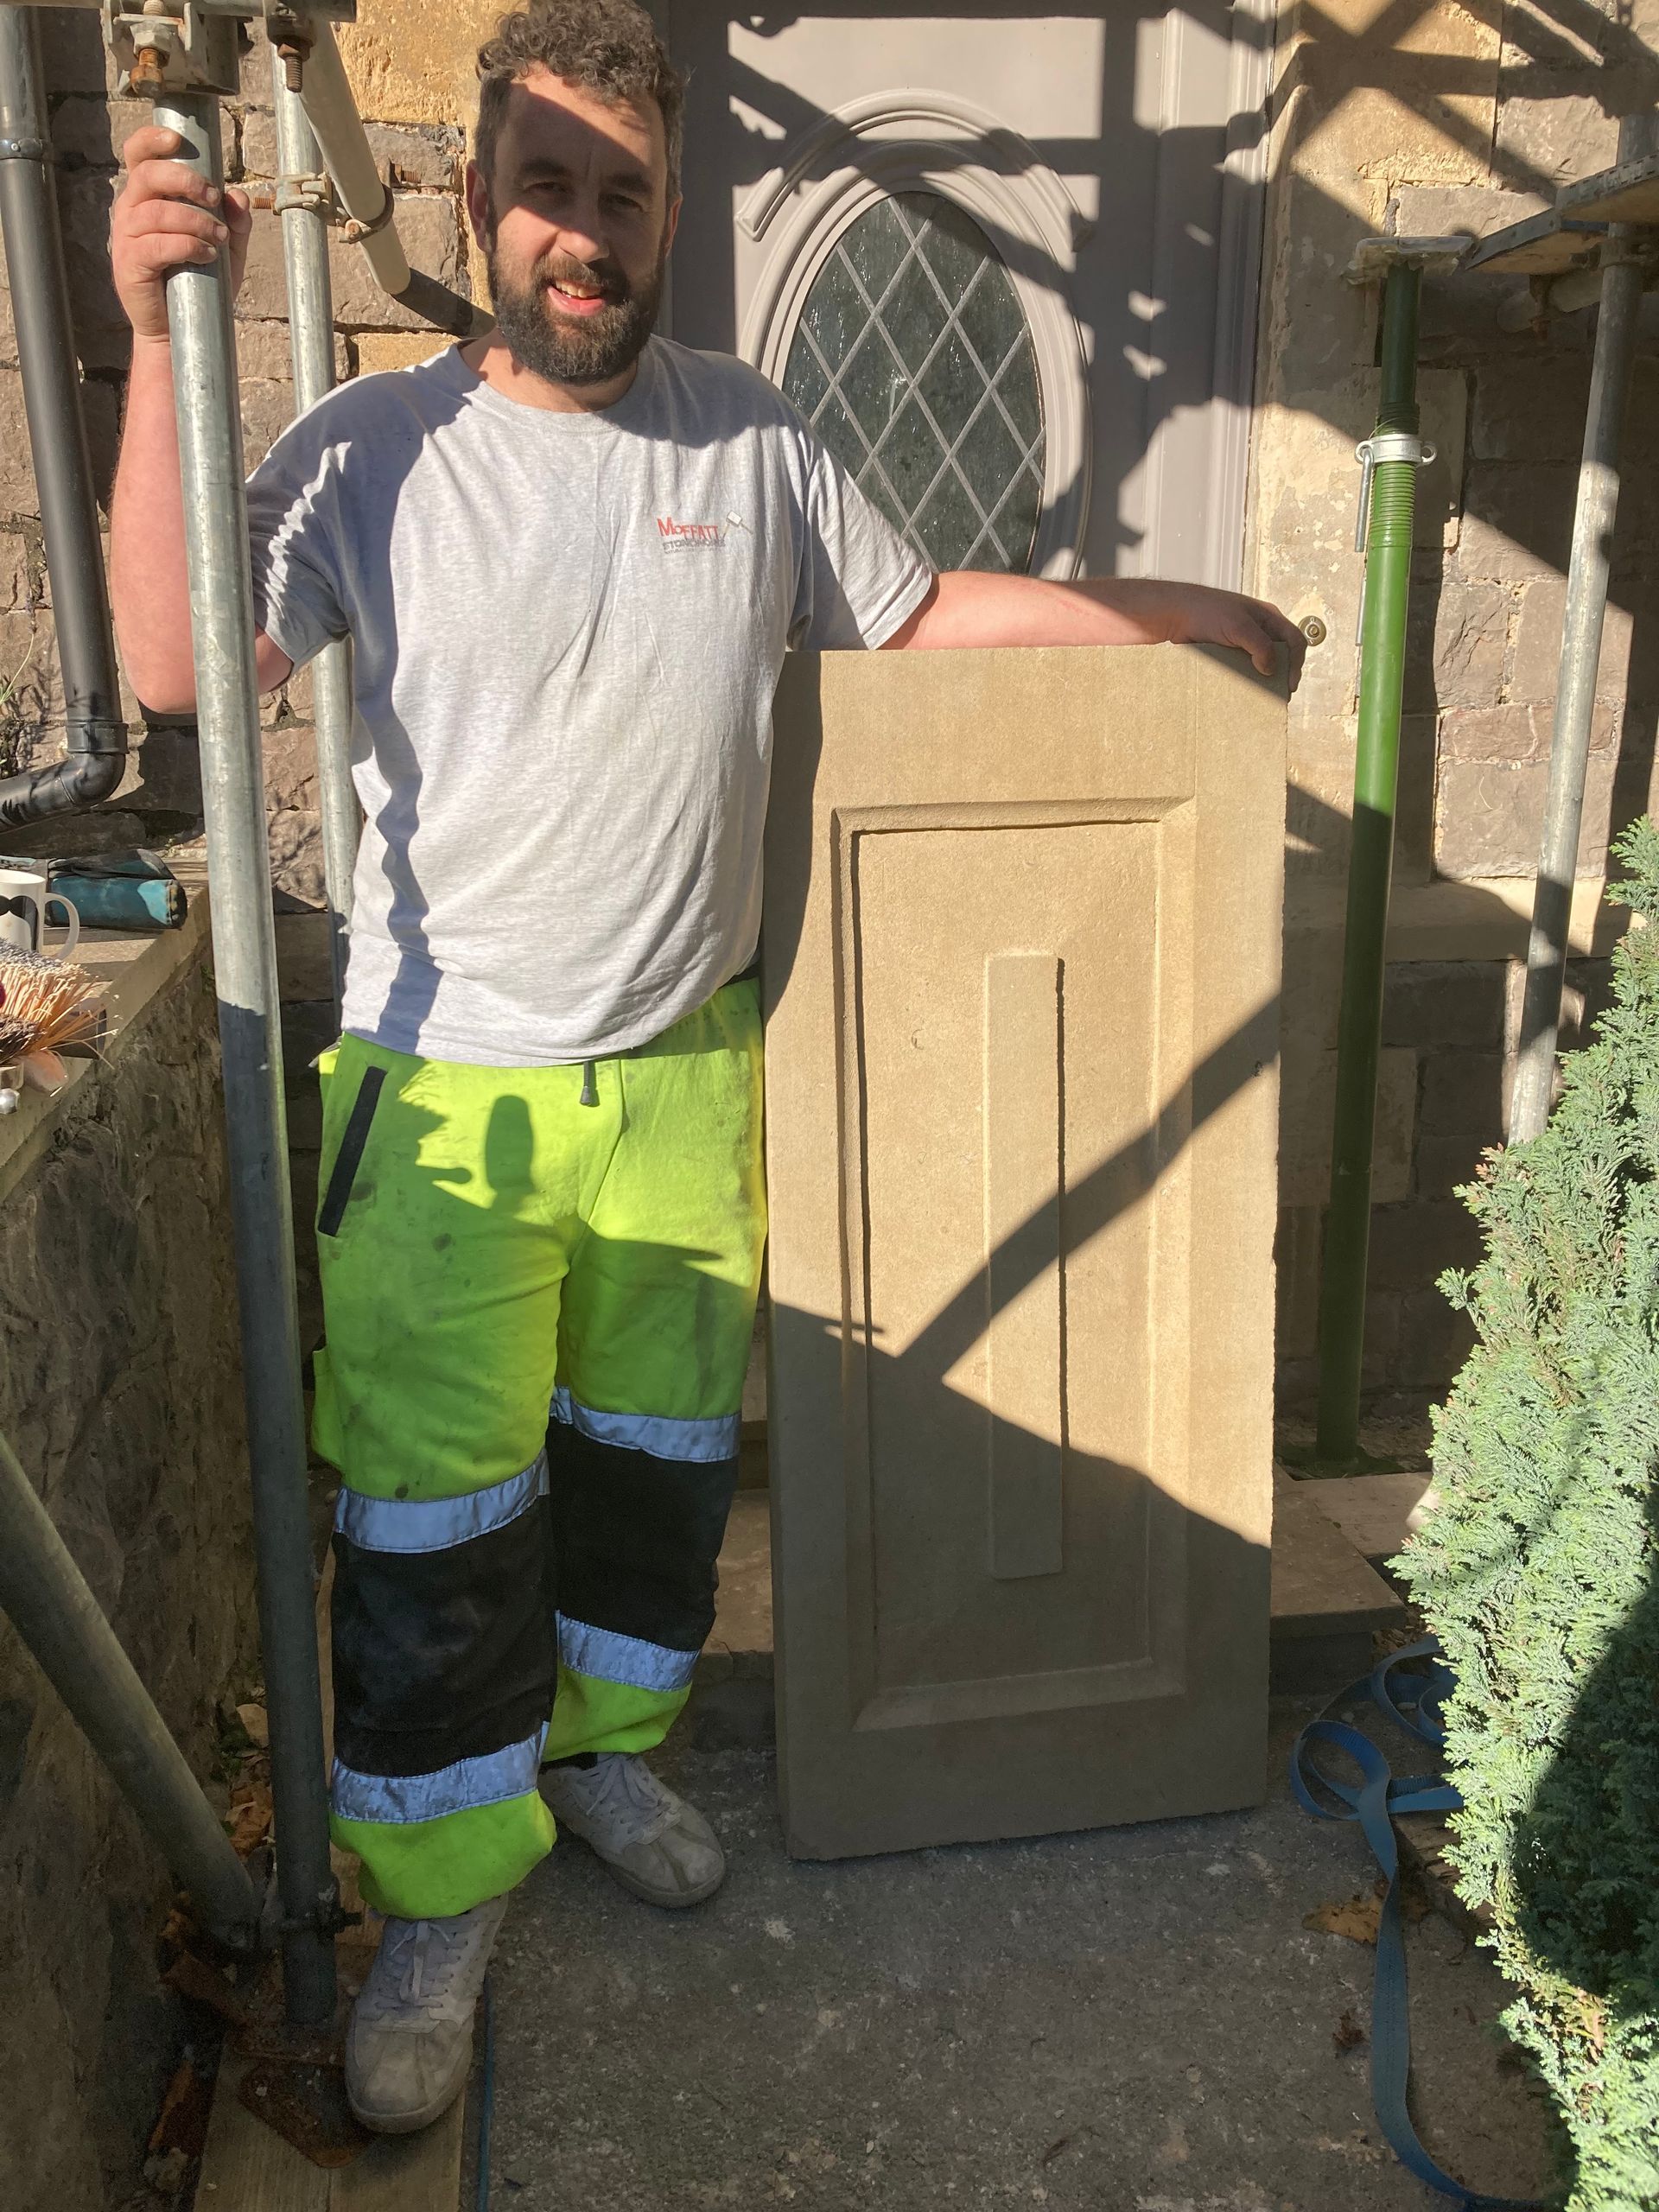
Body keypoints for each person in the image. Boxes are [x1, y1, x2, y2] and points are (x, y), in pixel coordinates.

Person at [107, 0, 1305, 2137]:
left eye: (623, 195)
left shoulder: (750, 439)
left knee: (654, 1478)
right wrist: (145, 336)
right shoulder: (370, 448)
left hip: (681, 1074)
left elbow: (920, 620)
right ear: (479, 202)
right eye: (546, 187)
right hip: (449, 1092)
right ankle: (447, 1901)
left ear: (672, 216)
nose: (585, 232)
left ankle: (596, 1763)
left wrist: (1175, 611)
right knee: (436, 1530)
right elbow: (182, 664)